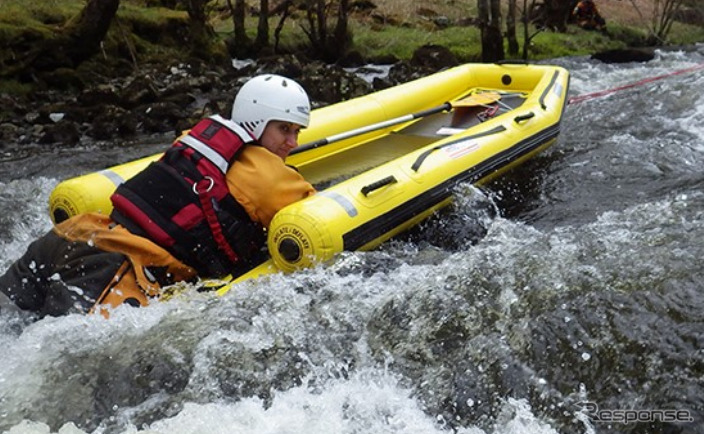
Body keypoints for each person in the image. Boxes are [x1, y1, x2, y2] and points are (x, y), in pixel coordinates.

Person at [0, 74, 316, 319]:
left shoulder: (197, 138)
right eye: (284, 129)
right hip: (119, 271)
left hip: (76, 235)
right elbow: (317, 216)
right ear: (257, 123)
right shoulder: (272, 178)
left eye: (296, 131)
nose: (292, 141)